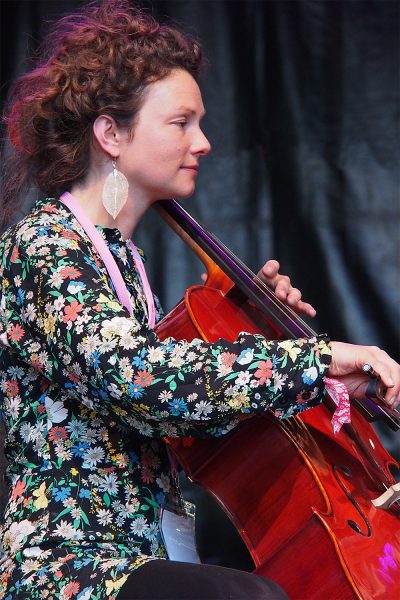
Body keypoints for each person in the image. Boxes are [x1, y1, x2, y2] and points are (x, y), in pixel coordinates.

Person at [0, 1, 398, 599]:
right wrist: (315, 361)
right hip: (69, 562)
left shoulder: (123, 260)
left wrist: (250, 321)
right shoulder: (44, 248)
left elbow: (174, 412)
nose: (204, 142)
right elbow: (142, 382)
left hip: (144, 552)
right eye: (181, 122)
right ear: (111, 133)